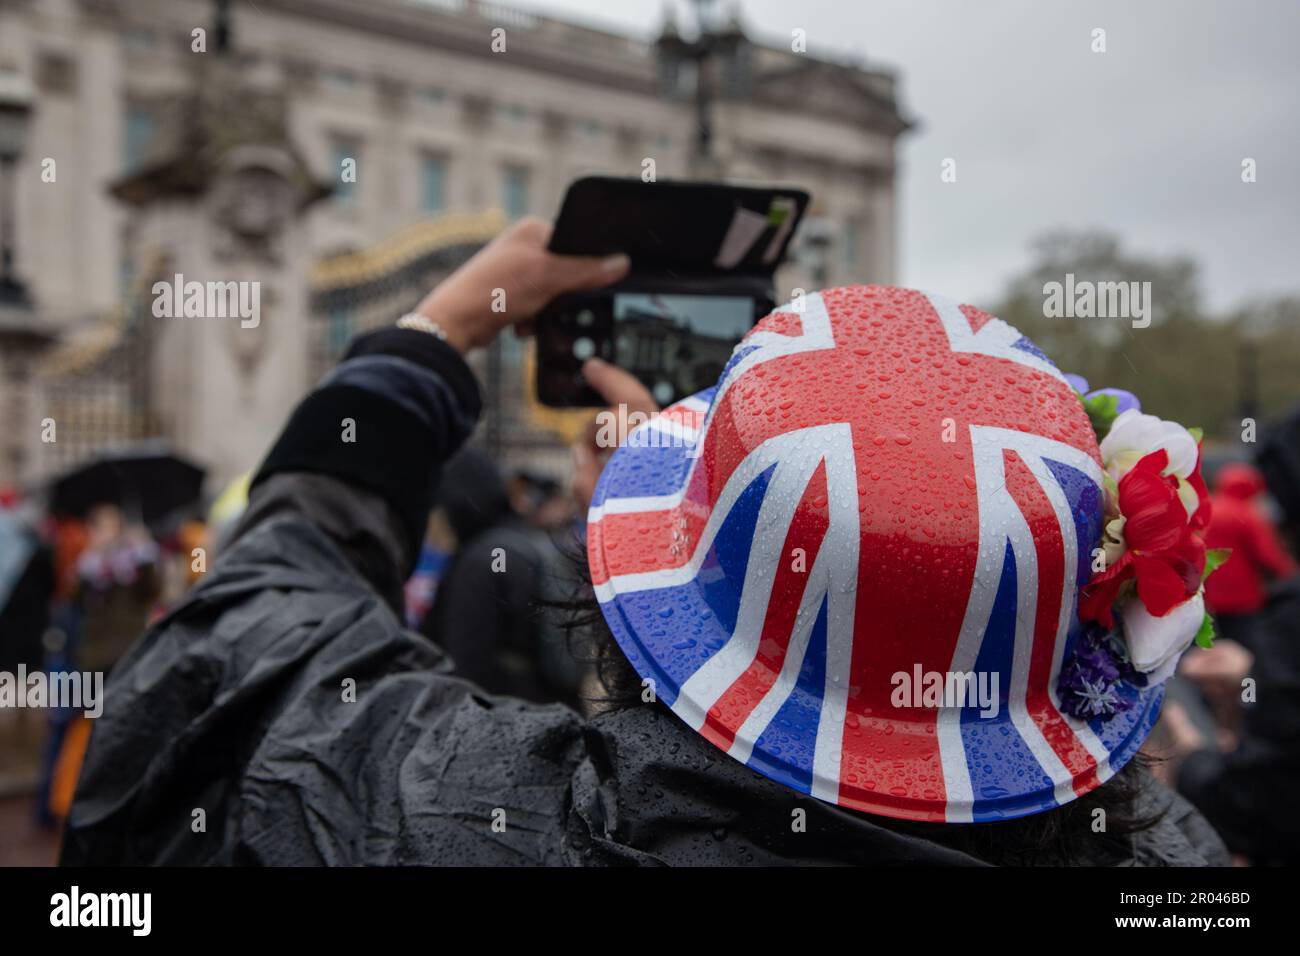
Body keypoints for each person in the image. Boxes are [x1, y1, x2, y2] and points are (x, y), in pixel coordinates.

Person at [62, 219, 1225, 866]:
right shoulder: (1179, 869)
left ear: (642, 606)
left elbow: (248, 643)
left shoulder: (446, 823)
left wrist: (434, 335)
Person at [1173, 407, 1300, 865]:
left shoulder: (1216, 509)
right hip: (1248, 602)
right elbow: (1269, 557)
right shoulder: (1248, 514)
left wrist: (1190, 756)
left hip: (1213, 600)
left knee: (1212, 652)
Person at [1201, 462, 1295, 650]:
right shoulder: (1249, 515)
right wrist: (1290, 575)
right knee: (1245, 645)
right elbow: (1267, 555)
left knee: (1216, 640)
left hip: (1208, 589)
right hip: (1241, 594)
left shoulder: (1206, 508)